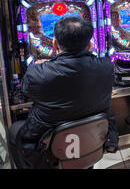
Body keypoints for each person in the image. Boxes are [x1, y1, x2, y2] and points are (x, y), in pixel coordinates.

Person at [8, 17, 118, 169]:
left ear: (54, 44)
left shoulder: (38, 73)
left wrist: (44, 66)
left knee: (15, 128)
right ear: (90, 45)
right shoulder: (107, 67)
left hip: (49, 148)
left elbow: (26, 90)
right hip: (93, 138)